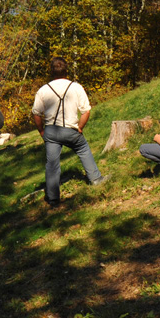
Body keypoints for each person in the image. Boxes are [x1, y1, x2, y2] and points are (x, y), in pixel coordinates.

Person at [31, 57, 107, 206]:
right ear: (66, 70)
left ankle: (53, 198)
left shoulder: (43, 90)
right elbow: (86, 111)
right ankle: (96, 179)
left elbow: (36, 113)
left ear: (51, 71)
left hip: (51, 131)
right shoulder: (76, 87)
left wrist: (41, 131)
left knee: (52, 164)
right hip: (71, 129)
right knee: (83, 149)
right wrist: (80, 127)